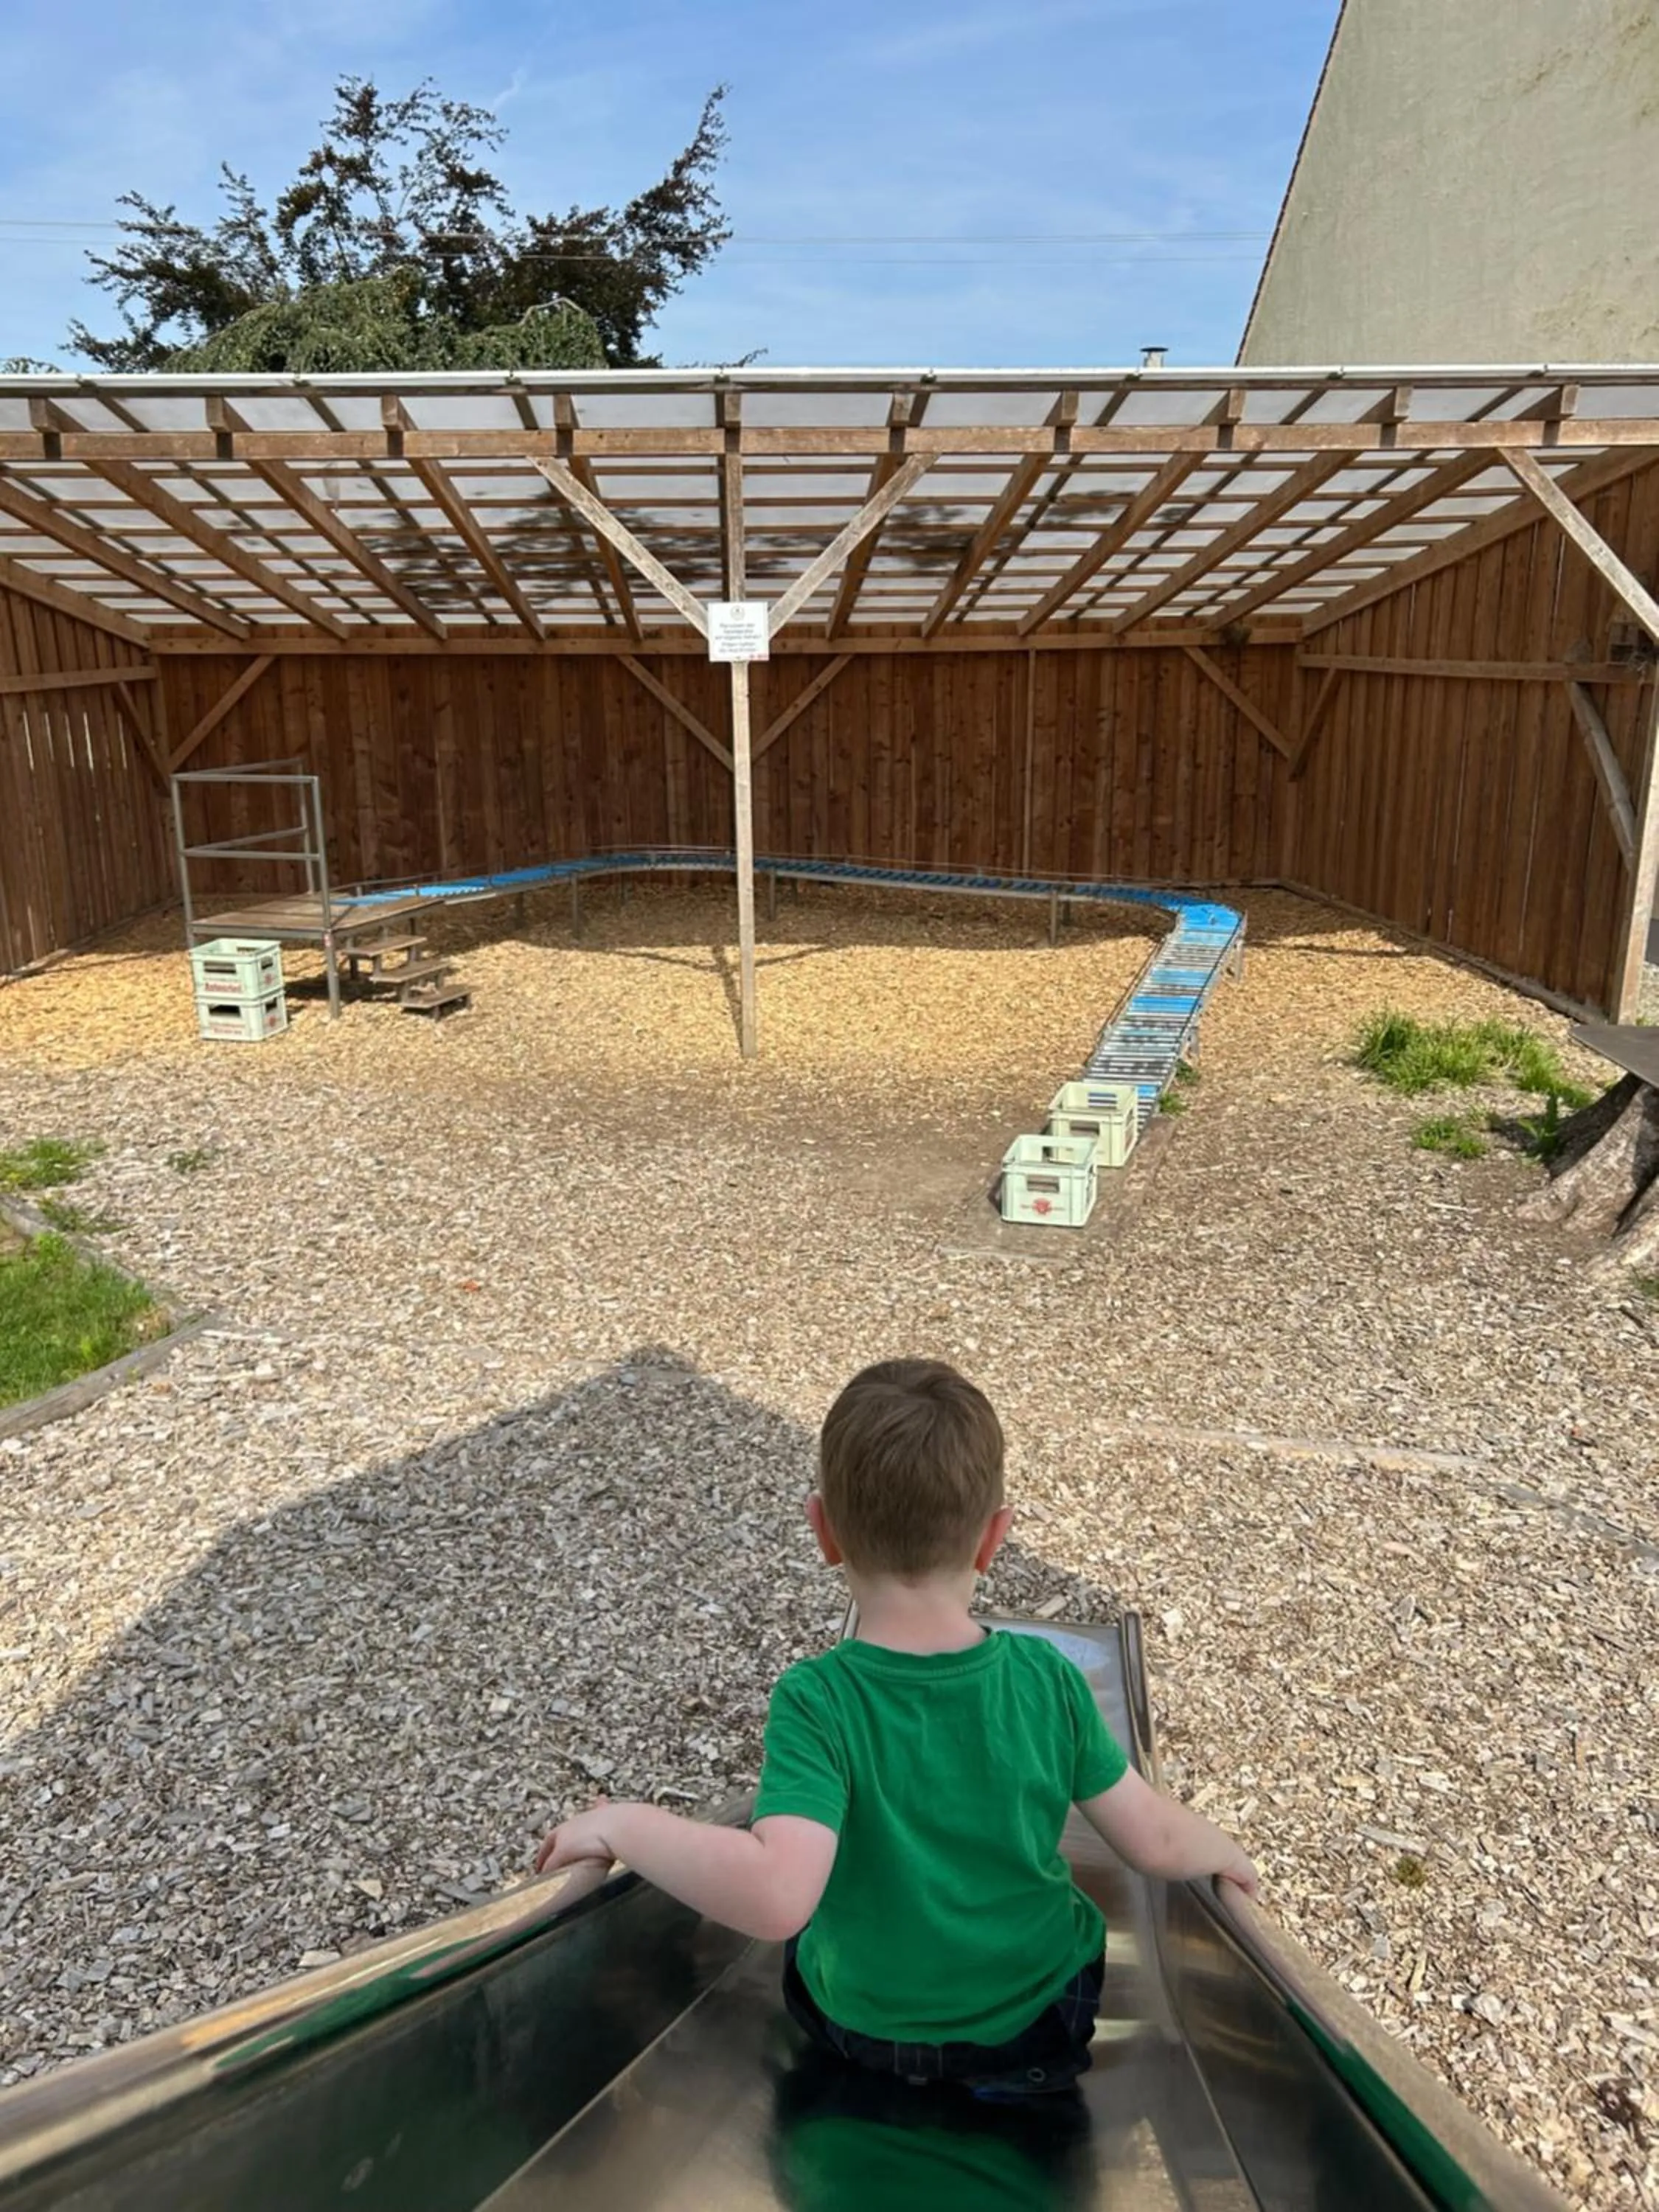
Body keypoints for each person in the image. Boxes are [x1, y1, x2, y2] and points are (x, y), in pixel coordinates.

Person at [535, 1357, 1258, 2098]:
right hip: (1039, 2019)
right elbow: (1154, 1841)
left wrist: (627, 1825)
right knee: (1056, 1972)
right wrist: (1228, 1853)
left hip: (863, 2032)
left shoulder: (819, 1700)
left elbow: (778, 1896)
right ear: (994, 1538)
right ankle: (1029, 2101)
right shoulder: (1048, 1681)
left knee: (818, 1951)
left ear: (824, 1531)